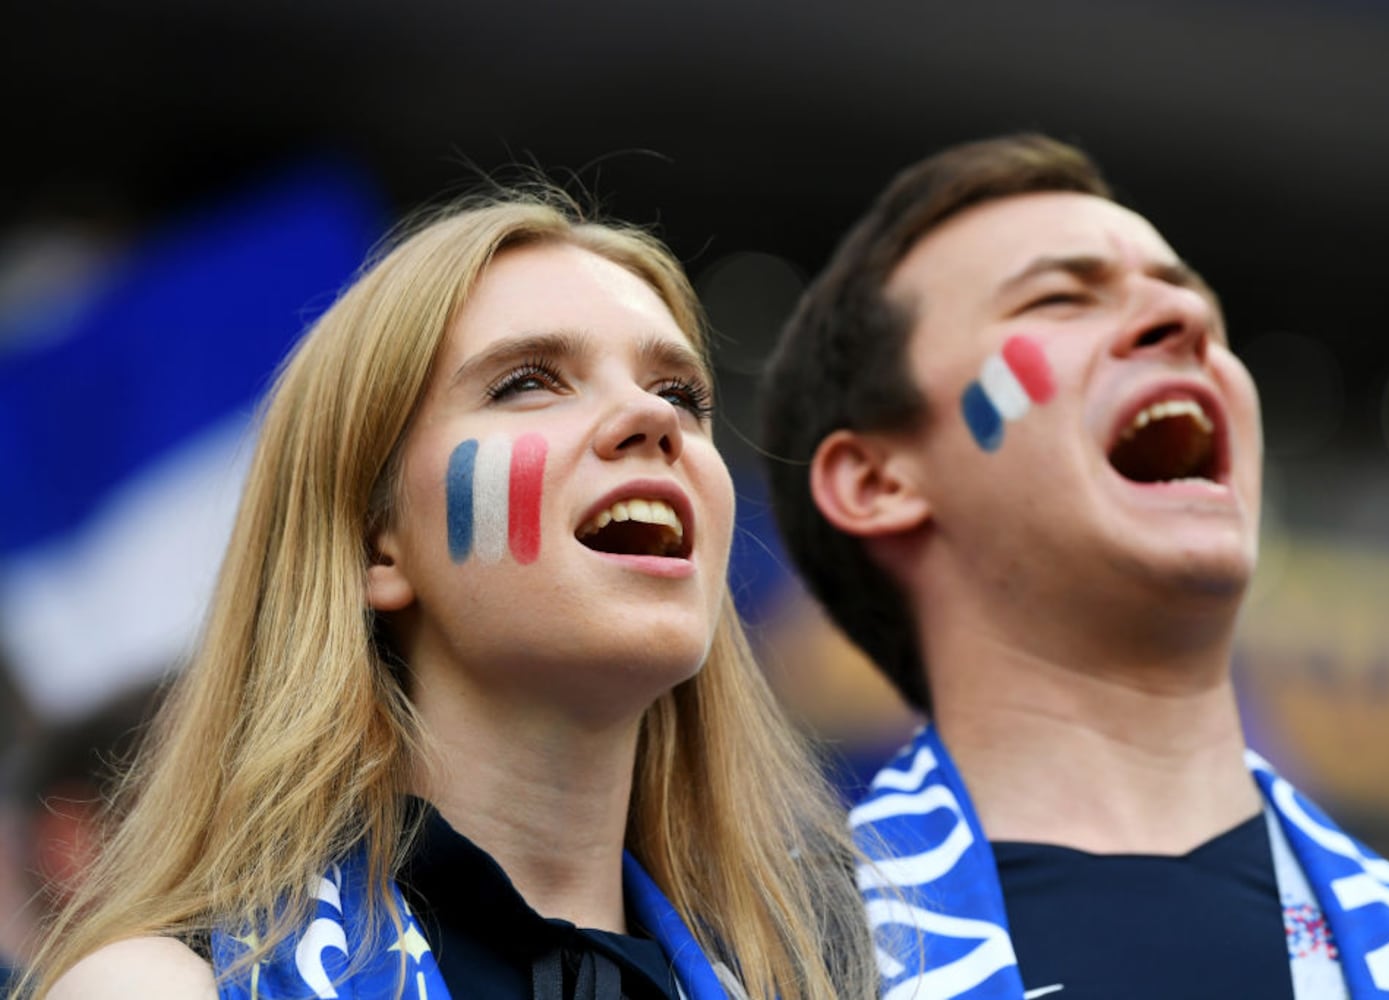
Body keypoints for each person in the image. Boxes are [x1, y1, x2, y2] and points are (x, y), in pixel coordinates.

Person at [19, 190, 879, 999]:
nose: (654, 422)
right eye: (528, 382)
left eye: (680, 395)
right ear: (374, 543)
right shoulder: (165, 987)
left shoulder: (854, 976)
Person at [759, 134, 1389, 999]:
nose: (1185, 324)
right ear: (879, 482)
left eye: (1195, 306)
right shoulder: (757, 963)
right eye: (1062, 298)